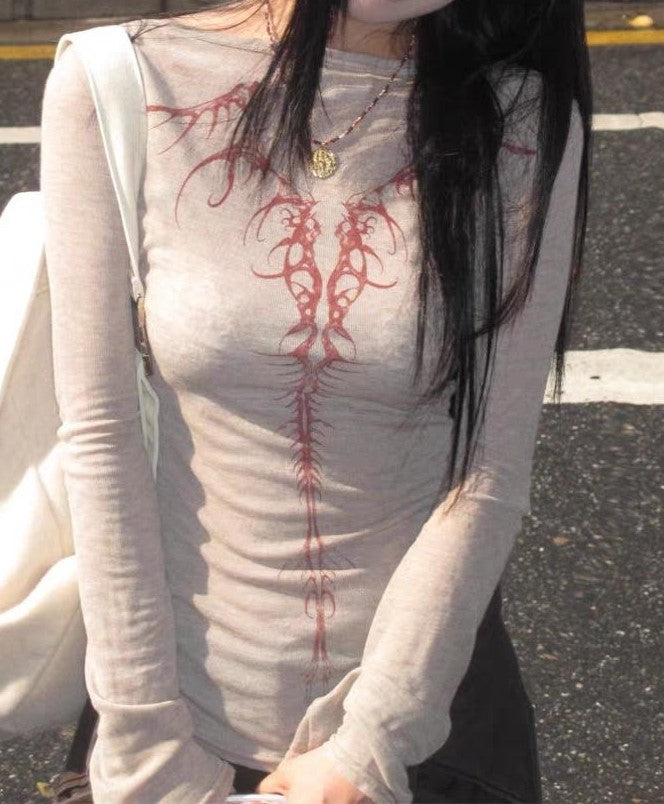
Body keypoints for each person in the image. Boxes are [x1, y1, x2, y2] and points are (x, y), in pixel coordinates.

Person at [40, 0, 591, 801]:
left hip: (422, 727)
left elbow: (489, 472)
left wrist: (369, 747)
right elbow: (101, 432)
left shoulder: (521, 118)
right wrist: (146, 739)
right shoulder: (120, 80)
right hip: (168, 721)